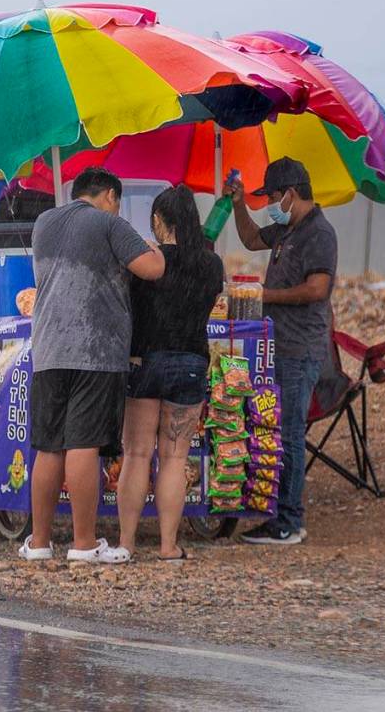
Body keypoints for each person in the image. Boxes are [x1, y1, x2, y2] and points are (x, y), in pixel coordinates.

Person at [20, 167, 165, 562]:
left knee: (48, 447)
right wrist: (153, 248)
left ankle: (39, 543)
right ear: (110, 197)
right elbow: (152, 269)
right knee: (82, 444)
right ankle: (83, 545)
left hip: (48, 349)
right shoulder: (108, 223)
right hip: (95, 351)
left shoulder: (44, 223)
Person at [226, 156, 338, 545]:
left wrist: (265, 295)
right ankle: (278, 514)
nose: (269, 204)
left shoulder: (318, 234)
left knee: (289, 433)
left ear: (290, 194)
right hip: (280, 347)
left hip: (300, 348)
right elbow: (251, 239)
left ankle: (289, 521)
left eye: (272, 197)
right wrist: (239, 203)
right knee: (279, 429)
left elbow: (317, 289)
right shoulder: (287, 230)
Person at [114, 185, 224, 562]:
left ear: (159, 222)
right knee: (175, 457)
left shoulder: (147, 261)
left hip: (145, 362)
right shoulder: (211, 265)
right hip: (191, 363)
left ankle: (126, 544)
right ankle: (167, 546)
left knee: (137, 453)